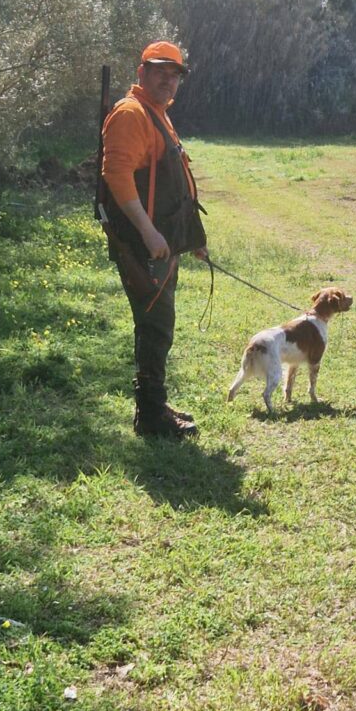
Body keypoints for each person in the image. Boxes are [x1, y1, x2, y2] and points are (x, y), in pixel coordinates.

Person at [101, 40, 206, 439]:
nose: (168, 79)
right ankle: (150, 415)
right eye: (160, 70)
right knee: (155, 325)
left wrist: (189, 238)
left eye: (175, 73)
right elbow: (117, 176)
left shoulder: (156, 113)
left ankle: (154, 404)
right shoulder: (131, 114)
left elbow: (172, 183)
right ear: (141, 71)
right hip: (143, 246)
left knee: (158, 324)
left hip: (161, 244)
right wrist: (147, 230)